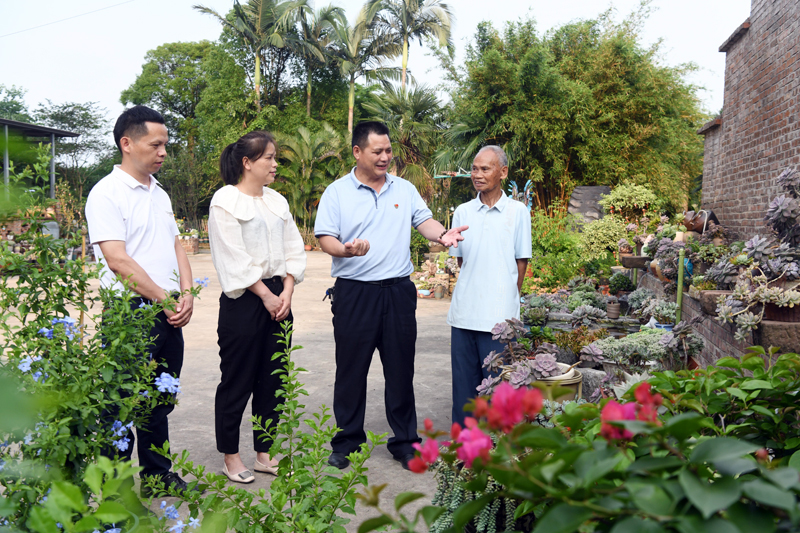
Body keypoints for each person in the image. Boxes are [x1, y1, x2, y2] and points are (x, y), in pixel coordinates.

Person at [314, 121, 467, 470]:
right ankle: (347, 441)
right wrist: (346, 250)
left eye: (388, 151)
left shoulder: (404, 189)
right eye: (377, 151)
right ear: (358, 152)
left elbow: (424, 222)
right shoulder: (337, 192)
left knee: (400, 370)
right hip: (355, 294)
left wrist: (442, 235)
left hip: (398, 292)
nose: (385, 157)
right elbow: (325, 239)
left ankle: (404, 442)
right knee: (351, 371)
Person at [85, 105, 197, 496]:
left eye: (166, 144)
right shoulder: (107, 194)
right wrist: (164, 297)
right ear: (127, 143)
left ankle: (156, 475)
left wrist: (186, 294)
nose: (164, 152)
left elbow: (176, 245)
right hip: (129, 315)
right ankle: (116, 490)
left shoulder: (159, 192)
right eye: (156, 144)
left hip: (167, 309)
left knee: (159, 398)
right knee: (119, 404)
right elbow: (117, 260)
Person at [207, 131, 306, 483]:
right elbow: (233, 257)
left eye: (275, 157)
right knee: (238, 380)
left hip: (280, 297)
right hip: (245, 301)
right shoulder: (225, 201)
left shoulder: (277, 201)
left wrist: (288, 291)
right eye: (268, 157)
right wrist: (266, 295)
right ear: (247, 162)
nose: (275, 163)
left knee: (273, 379)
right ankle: (231, 456)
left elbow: (294, 248)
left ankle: (264, 453)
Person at [447, 146, 532, 426]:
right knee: (464, 391)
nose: (477, 175)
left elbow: (521, 263)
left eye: (485, 169)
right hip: (464, 314)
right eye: (474, 168)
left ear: (503, 172)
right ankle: (464, 450)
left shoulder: (518, 212)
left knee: (498, 389)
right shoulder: (462, 212)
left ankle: (497, 452)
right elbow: (462, 262)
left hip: (499, 319)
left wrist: (506, 298)